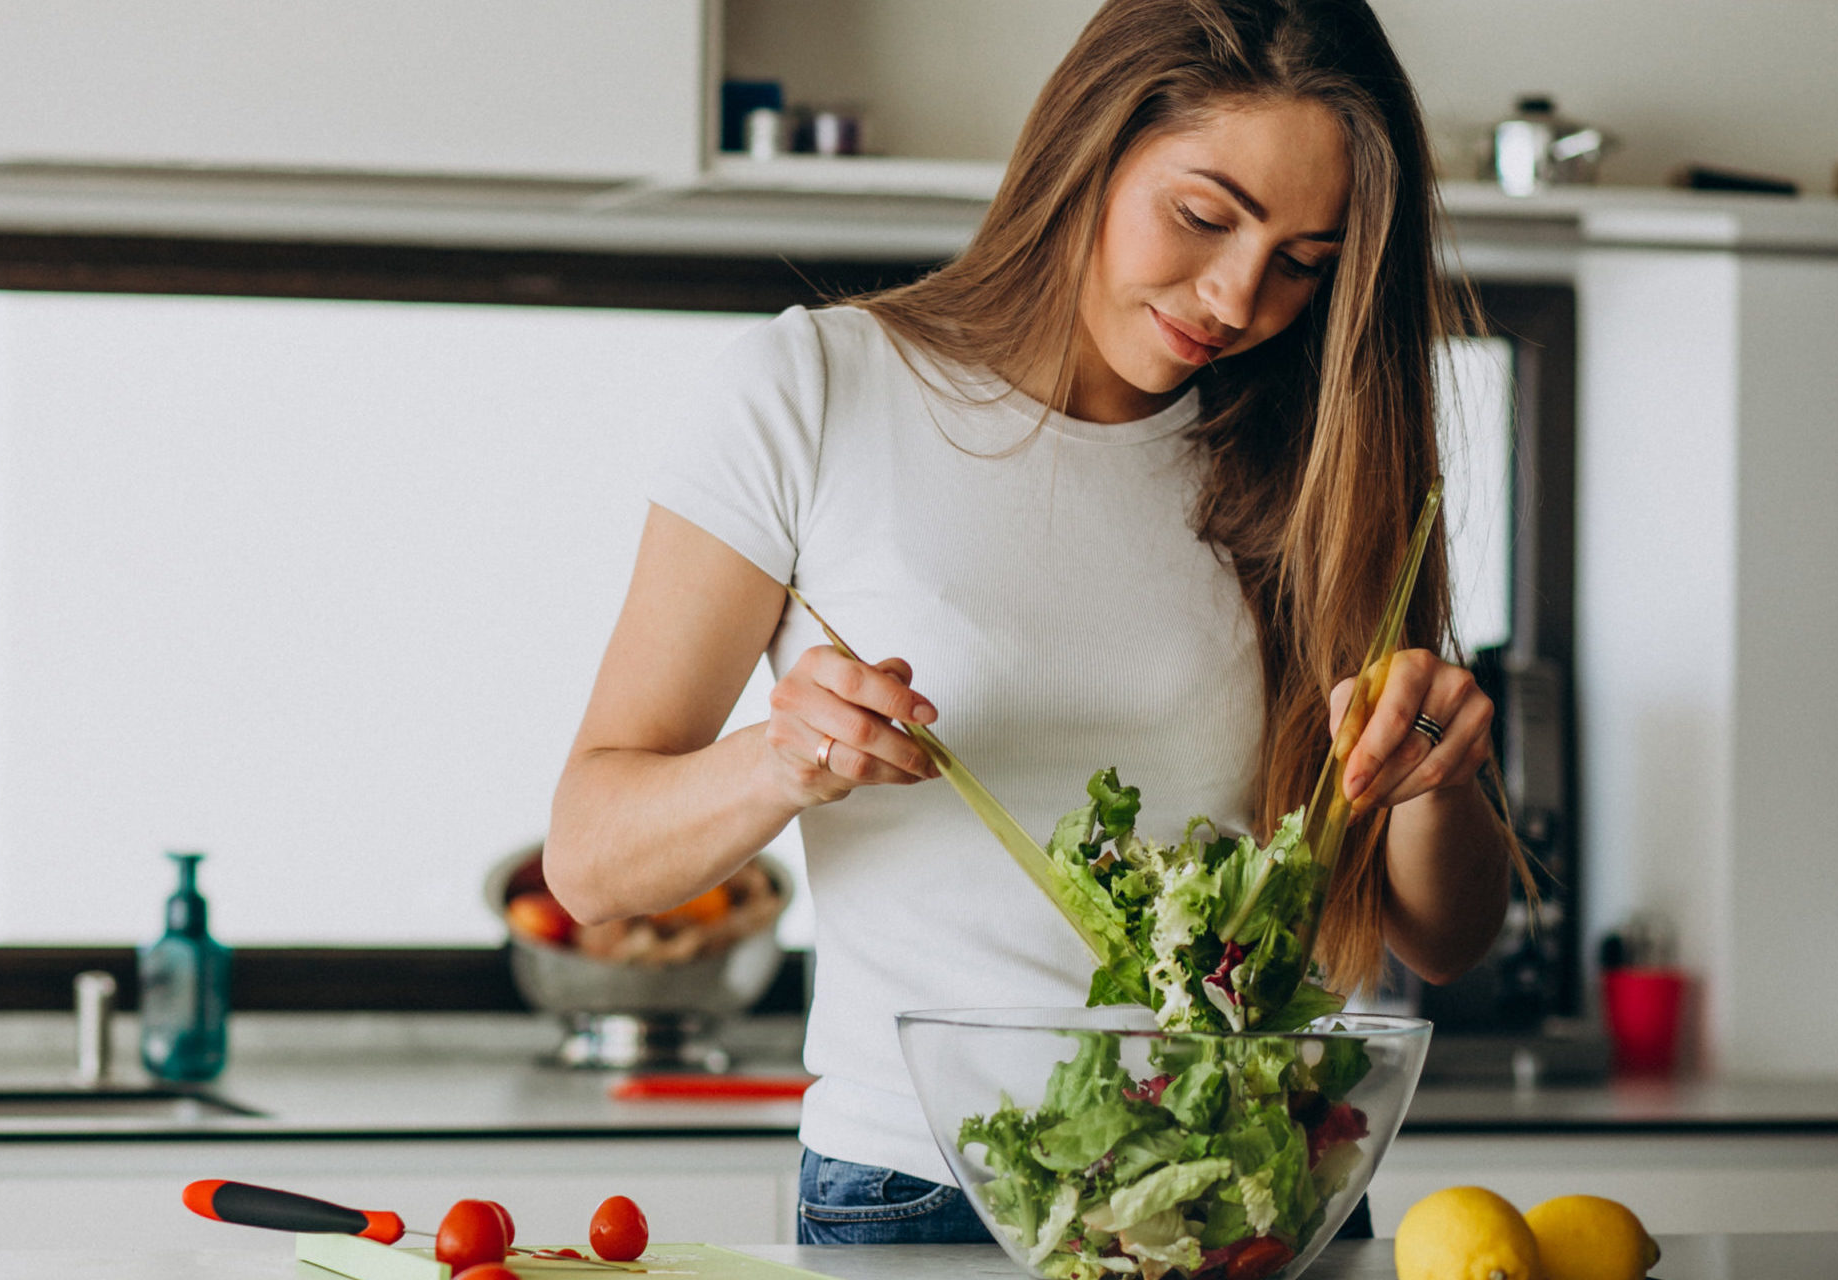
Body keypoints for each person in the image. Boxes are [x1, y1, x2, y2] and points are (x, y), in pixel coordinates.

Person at [545, 0, 1514, 1247]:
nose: (1235, 296)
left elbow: (1446, 934)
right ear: (1089, 147)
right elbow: (587, 856)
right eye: (1203, 216)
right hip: (932, 1186)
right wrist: (778, 759)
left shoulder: (1319, 457)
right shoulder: (814, 390)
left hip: (1266, 1187)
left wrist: (1440, 778)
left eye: (1302, 261)